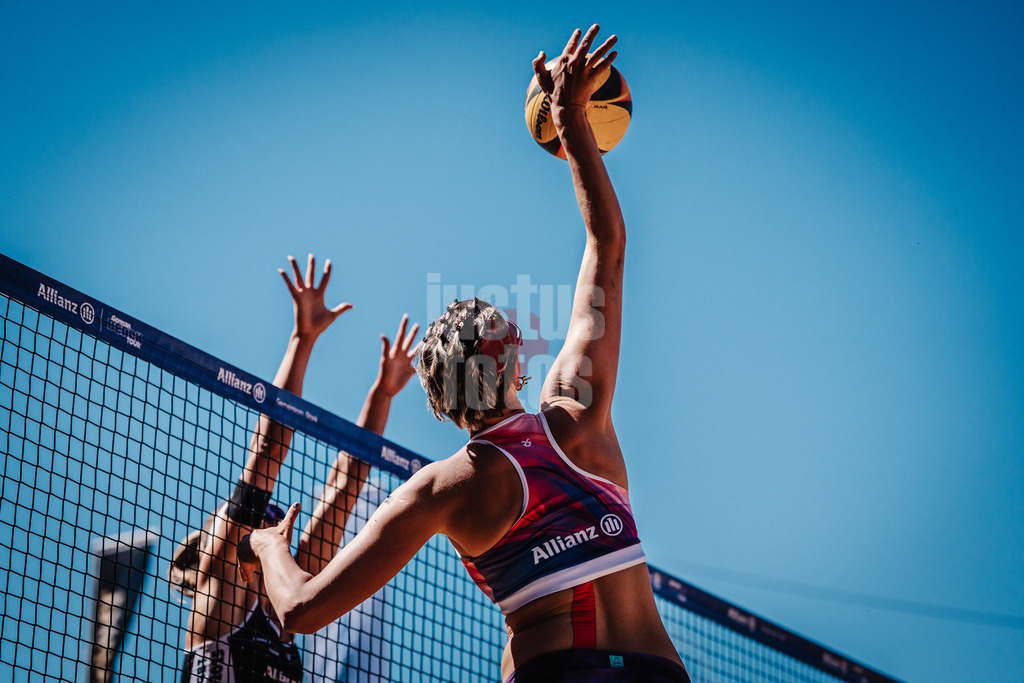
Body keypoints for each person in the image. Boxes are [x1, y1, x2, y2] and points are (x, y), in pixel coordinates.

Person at [238, 26, 690, 682]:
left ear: (444, 402)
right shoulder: (572, 414)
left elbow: (300, 609)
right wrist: (571, 122)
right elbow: (607, 244)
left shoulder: (441, 489)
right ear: (511, 360)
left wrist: (267, 545)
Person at [170, 253, 420, 682]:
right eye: (262, 516)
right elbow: (268, 450)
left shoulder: (288, 605)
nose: (272, 519)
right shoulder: (221, 587)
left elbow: (348, 484)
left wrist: (383, 393)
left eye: (273, 516)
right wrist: (302, 338)